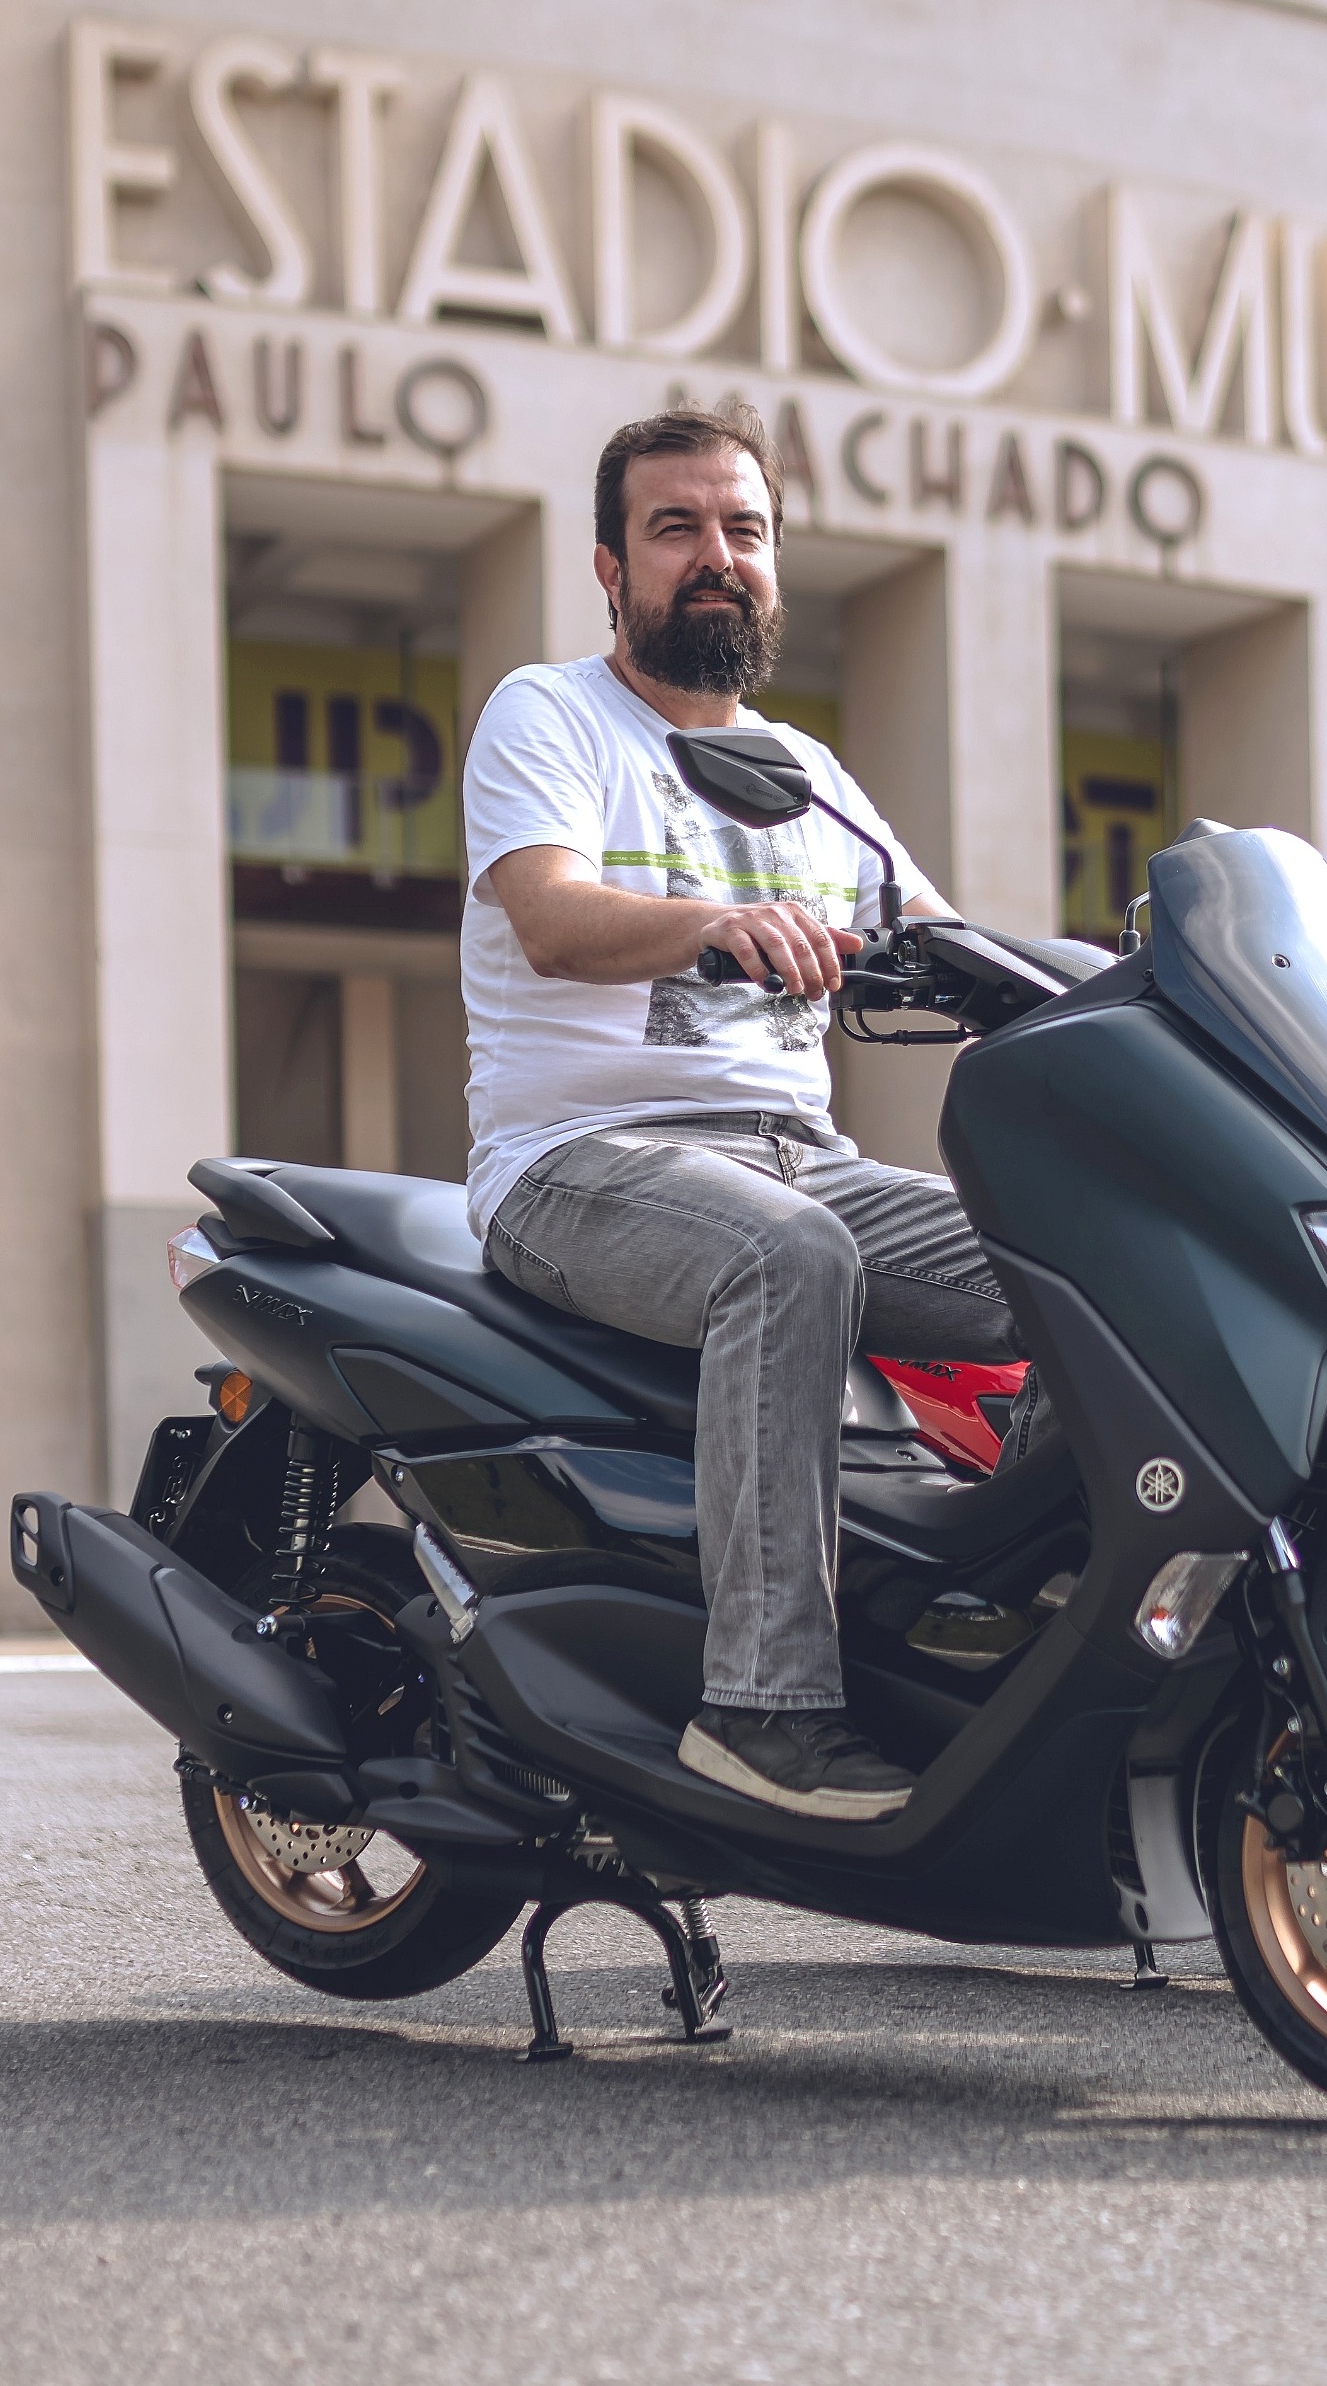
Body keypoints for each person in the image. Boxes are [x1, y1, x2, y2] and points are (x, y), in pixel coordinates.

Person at [457, 403, 1013, 1823]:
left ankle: (1012, 1633)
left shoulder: (807, 777)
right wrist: (717, 923)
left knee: (1088, 1258)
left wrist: (1144, 985)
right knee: (789, 1254)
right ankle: (762, 1709)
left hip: (798, 1161)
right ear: (610, 564)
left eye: (745, 530)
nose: (718, 556)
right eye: (678, 528)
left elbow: (959, 949)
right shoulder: (551, 714)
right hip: (580, 1164)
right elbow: (553, 919)